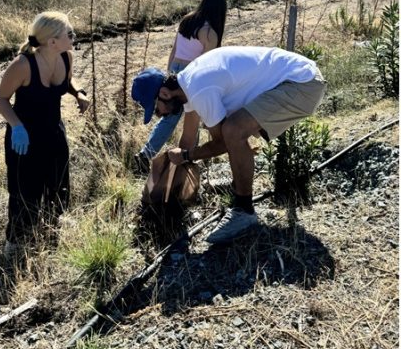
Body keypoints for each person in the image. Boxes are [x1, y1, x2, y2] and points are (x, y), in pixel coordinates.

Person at [132, 46, 326, 244]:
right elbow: (188, 139)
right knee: (229, 127)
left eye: (156, 109)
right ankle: (237, 186)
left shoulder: (199, 89)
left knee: (232, 130)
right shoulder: (188, 84)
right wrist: (171, 176)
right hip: (298, 79)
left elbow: (222, 144)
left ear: (164, 93)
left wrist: (187, 156)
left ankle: (244, 211)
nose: (160, 115)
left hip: (302, 84)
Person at [0, 12, 90, 255]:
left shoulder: (66, 56)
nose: (73, 37)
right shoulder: (23, 65)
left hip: (54, 131)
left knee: (58, 181)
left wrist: (78, 92)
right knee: (24, 190)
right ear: (52, 41)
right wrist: (16, 126)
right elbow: (1, 99)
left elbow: (68, 81)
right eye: (69, 33)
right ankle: (15, 242)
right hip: (23, 137)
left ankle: (53, 224)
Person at [134, 0, 227, 171]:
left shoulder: (188, 20)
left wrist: (170, 74)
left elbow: (174, 49)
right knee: (195, 115)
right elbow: (207, 65)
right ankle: (189, 158)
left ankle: (146, 154)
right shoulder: (209, 33)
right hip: (191, 75)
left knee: (169, 117)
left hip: (176, 70)